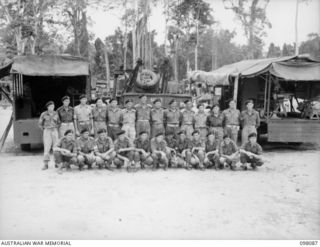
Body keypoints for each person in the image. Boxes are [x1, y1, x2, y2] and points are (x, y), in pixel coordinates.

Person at [38, 101, 60, 170]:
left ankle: (56, 163)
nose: (52, 108)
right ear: (47, 107)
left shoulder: (56, 113)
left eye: (53, 106)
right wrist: (45, 130)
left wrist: (56, 128)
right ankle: (46, 164)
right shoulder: (43, 114)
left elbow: (59, 122)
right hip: (47, 131)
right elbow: (39, 124)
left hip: (54, 130)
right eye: (50, 106)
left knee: (56, 147)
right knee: (47, 147)